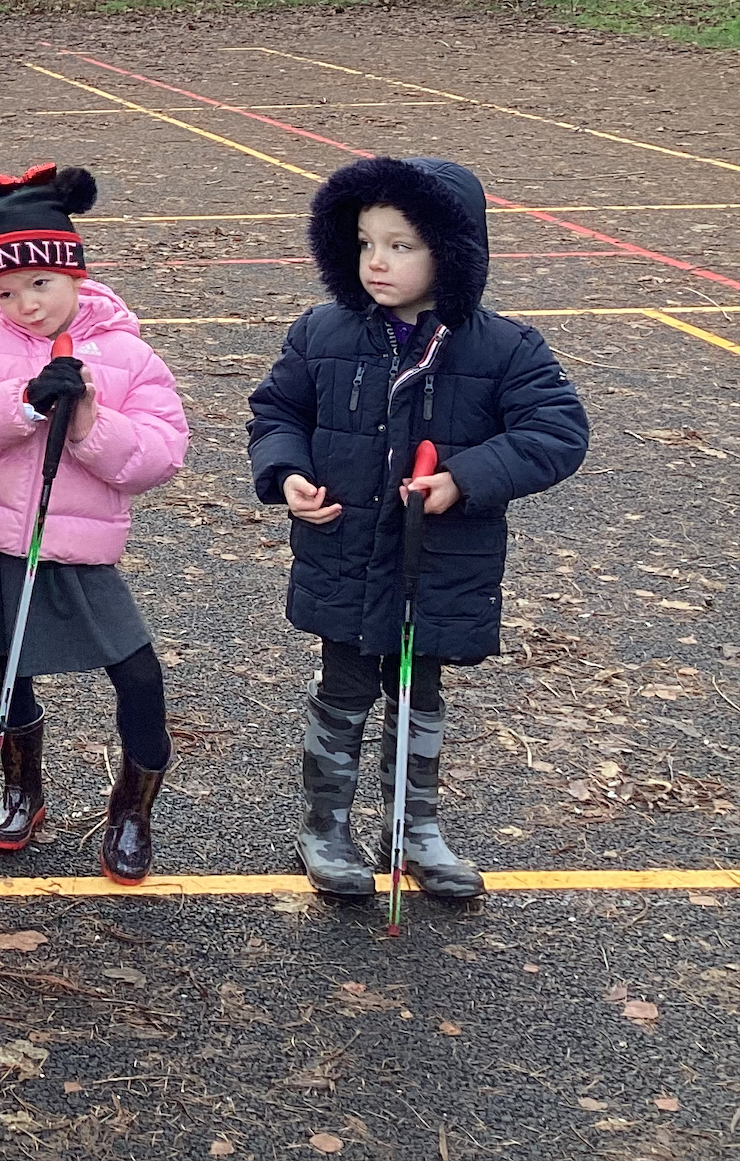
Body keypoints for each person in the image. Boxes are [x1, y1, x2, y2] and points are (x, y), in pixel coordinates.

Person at [249, 155, 588, 902]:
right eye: (367, 242)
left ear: (452, 250)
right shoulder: (323, 331)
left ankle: (412, 825)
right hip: (344, 550)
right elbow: (278, 412)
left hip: (440, 560)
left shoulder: (505, 347)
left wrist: (466, 477)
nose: (378, 261)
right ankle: (326, 825)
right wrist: (288, 473)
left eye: (401, 245)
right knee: (342, 685)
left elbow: (558, 430)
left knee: (418, 687)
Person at [0, 163, 191, 884]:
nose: (26, 303)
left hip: (78, 547)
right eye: (5, 290)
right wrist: (25, 399)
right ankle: (22, 788)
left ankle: (133, 806)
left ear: (75, 273)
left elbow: (161, 452)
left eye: (40, 282)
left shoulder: (129, 354)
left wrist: (92, 421)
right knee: (9, 666)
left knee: (137, 671)